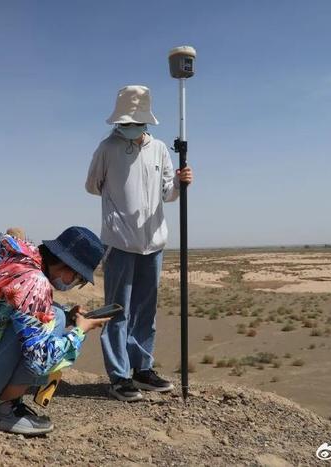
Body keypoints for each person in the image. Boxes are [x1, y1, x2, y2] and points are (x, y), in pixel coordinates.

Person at [0, 226, 109, 435]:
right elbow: (41, 360)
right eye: (78, 279)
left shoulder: (19, 260)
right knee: (54, 320)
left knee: (56, 313)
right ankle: (2, 410)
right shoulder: (35, 282)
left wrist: (70, 314)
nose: (74, 284)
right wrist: (80, 331)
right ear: (65, 265)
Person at [85, 85, 194, 402]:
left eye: (134, 120)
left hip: (153, 242)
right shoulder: (107, 148)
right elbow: (92, 185)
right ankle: (119, 376)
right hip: (118, 243)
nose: (129, 126)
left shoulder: (160, 149)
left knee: (146, 309)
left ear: (145, 120)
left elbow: (168, 193)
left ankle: (142, 368)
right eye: (125, 121)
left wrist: (180, 182)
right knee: (118, 311)